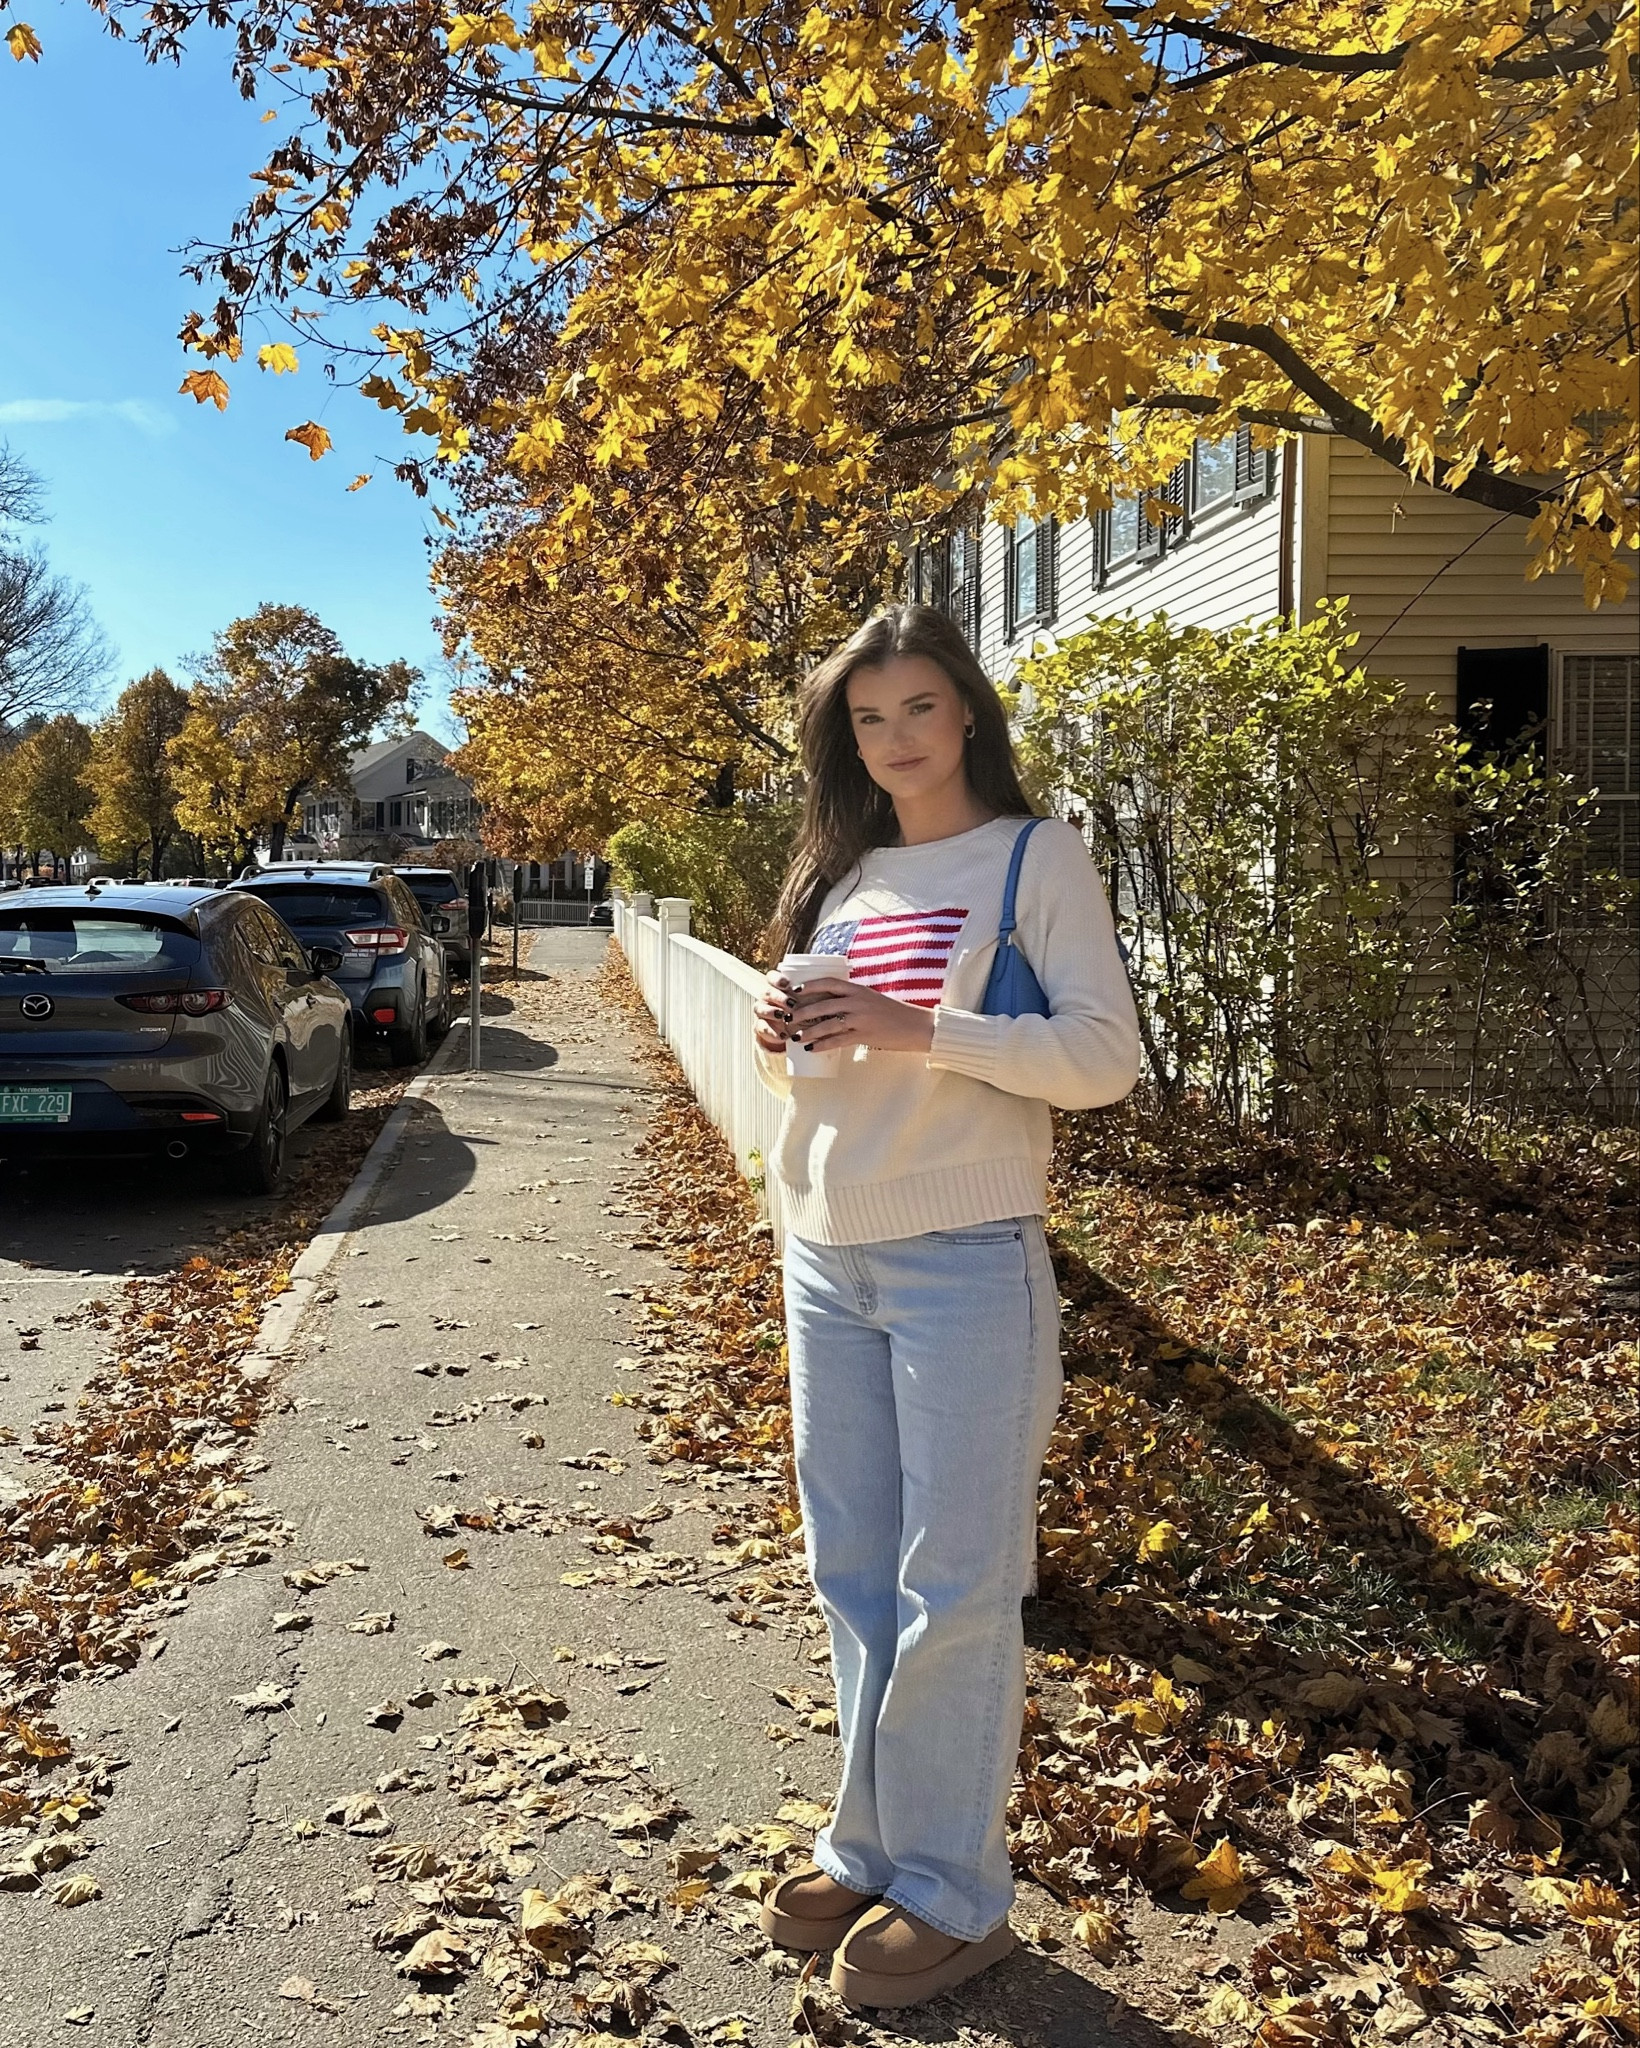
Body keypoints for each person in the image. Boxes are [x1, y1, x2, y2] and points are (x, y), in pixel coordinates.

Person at [750, 604, 1142, 2009]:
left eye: (919, 707)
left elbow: (1103, 1056)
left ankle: (957, 1891)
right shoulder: (845, 871)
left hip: (967, 1254)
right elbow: (840, 1065)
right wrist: (790, 1037)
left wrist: (921, 1029)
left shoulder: (1037, 857)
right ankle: (872, 1847)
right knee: (850, 1572)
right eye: (868, 718)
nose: (896, 737)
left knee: (957, 1587)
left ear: (966, 712)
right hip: (827, 1252)